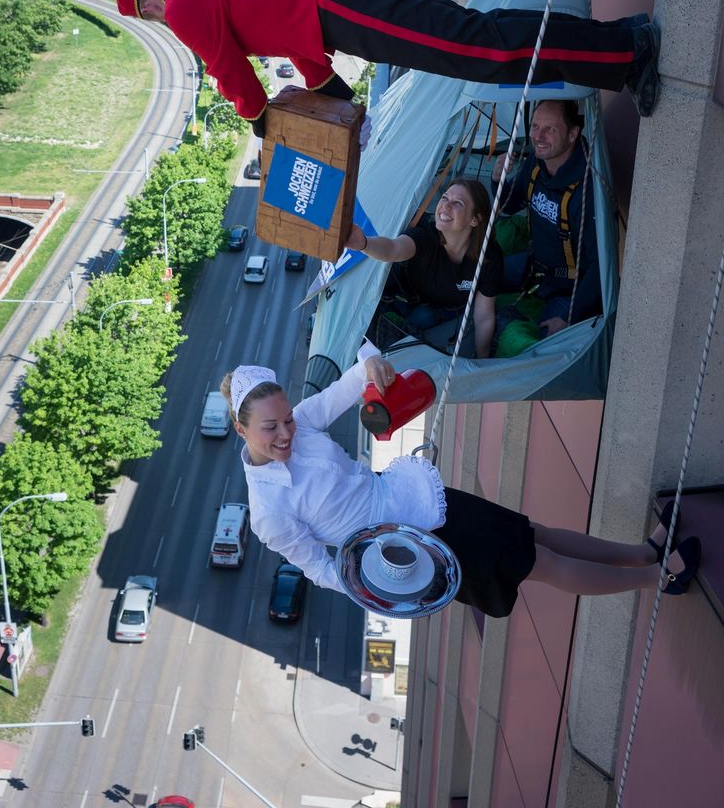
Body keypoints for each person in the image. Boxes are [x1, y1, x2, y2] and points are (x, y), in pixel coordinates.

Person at [223, 351, 701, 617]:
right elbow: (323, 570)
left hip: (417, 499)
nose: (287, 432)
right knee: (539, 562)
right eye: (272, 428)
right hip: (410, 551)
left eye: (286, 419)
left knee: (535, 535)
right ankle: (658, 579)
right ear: (242, 430)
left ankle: (642, 554)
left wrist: (371, 369)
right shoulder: (268, 513)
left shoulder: (301, 421)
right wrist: (391, 590)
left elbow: (349, 383)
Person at [114, 0, 662, 136]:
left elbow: (231, 75)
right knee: (480, 37)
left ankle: (626, 50)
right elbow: (284, 17)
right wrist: (330, 91)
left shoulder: (183, 5)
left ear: (148, 4)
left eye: (151, 17)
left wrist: (261, 123)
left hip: (341, 3)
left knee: (480, 49)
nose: (162, 23)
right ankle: (619, 41)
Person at [346, 179, 502, 358]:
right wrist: (364, 244)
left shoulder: (488, 257)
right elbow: (393, 249)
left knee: (429, 321)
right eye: (444, 198)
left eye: (457, 203)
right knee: (414, 323)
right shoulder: (425, 234)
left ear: (475, 219)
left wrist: (482, 360)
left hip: (446, 310)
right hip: (403, 302)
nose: (445, 206)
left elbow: (484, 316)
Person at [492, 100, 600, 337]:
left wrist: (568, 317)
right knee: (479, 278)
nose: (538, 136)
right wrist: (499, 181)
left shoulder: (587, 188)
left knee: (537, 343)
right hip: (535, 267)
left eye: (550, 129)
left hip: (568, 288)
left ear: (573, 134)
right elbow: (511, 205)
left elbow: (598, 266)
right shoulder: (536, 163)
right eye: (534, 126)